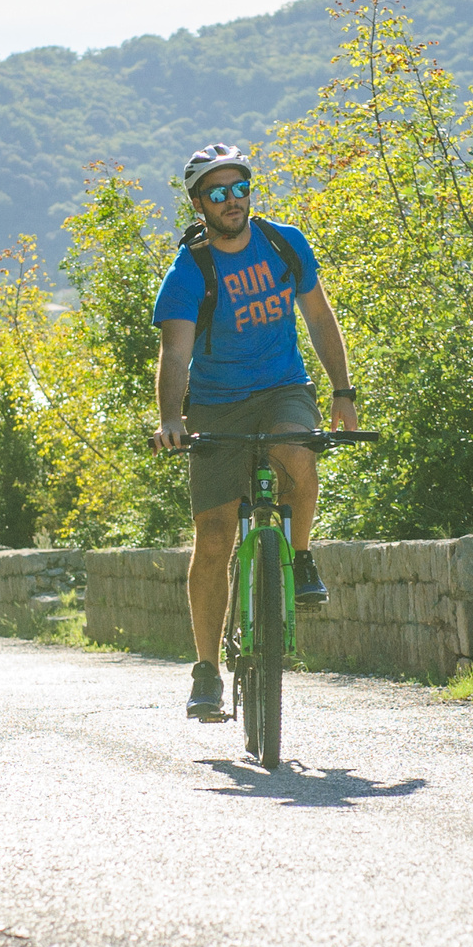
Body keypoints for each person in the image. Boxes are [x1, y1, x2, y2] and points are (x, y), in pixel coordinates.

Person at [151, 144, 358, 721]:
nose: (231, 201)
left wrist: (343, 394)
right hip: (216, 405)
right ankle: (206, 673)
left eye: (238, 188)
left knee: (298, 453)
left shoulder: (283, 243)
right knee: (214, 536)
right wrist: (172, 419)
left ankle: (300, 556)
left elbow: (319, 316)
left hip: (283, 388)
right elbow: (175, 353)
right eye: (217, 194)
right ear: (199, 205)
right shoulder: (190, 271)